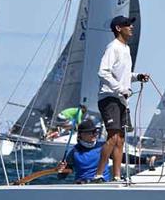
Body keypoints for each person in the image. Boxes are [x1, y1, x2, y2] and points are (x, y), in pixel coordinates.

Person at [92, 15, 150, 183]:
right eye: (127, 25)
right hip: (109, 97)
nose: (131, 27)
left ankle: (117, 176)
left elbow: (123, 76)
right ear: (118, 28)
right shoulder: (113, 47)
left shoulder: (126, 49)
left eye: (131, 24)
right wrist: (120, 89)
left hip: (122, 99)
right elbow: (103, 72)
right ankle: (99, 175)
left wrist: (137, 76)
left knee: (121, 139)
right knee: (113, 136)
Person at [58, 119, 111, 183]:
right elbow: (61, 177)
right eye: (90, 132)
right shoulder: (75, 151)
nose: (94, 134)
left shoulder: (103, 146)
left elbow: (122, 158)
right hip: (82, 186)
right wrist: (61, 169)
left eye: (95, 131)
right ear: (81, 135)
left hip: (103, 184)